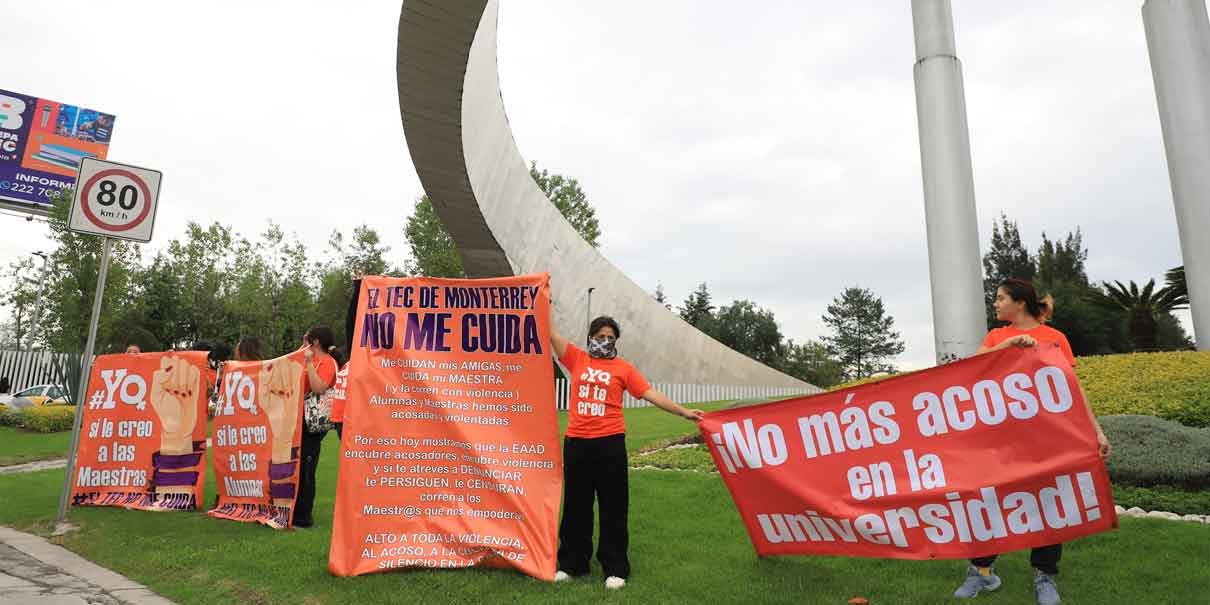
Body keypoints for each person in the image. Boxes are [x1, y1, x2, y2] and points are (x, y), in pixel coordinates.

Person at [952, 278, 1111, 605]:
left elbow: (1071, 387)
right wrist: (1008, 347)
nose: (995, 304)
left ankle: (1044, 576)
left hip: (1048, 437)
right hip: (1001, 437)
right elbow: (973, 368)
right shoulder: (997, 337)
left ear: (1019, 302)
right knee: (990, 499)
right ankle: (982, 573)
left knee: (1049, 502)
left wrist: (1096, 429)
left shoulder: (1055, 339)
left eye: (999, 298)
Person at [549, 313, 704, 590]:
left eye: (610, 338)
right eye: (600, 337)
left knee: (613, 507)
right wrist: (543, 301)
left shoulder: (624, 369)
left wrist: (683, 412)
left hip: (610, 444)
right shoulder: (576, 359)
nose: (605, 342)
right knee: (576, 506)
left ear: (616, 341)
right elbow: (552, 334)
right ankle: (573, 564)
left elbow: (649, 393)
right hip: (577, 443)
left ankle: (615, 568)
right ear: (591, 338)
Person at [295, 326, 339, 528]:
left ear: (316, 342)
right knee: (298, 464)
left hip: (313, 422)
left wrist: (309, 363)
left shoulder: (328, 362)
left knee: (306, 466)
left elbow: (319, 387)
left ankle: (304, 516)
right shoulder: (309, 360)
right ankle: (294, 509)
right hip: (301, 418)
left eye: (308, 339)